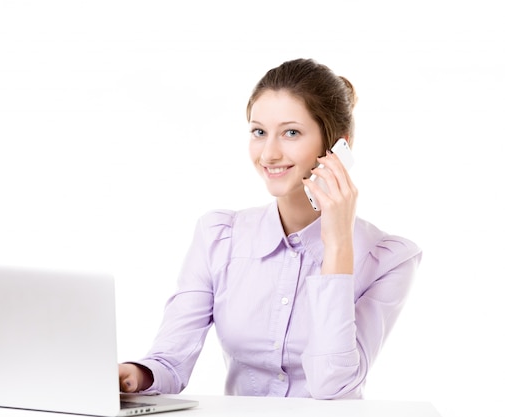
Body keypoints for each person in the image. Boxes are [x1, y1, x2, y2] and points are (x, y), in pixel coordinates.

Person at [118, 58, 422, 400]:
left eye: (291, 132)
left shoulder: (389, 259)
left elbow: (333, 388)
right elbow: (168, 363)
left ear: (339, 145)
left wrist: (337, 246)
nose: (269, 153)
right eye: (259, 132)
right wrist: (133, 376)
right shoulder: (219, 237)